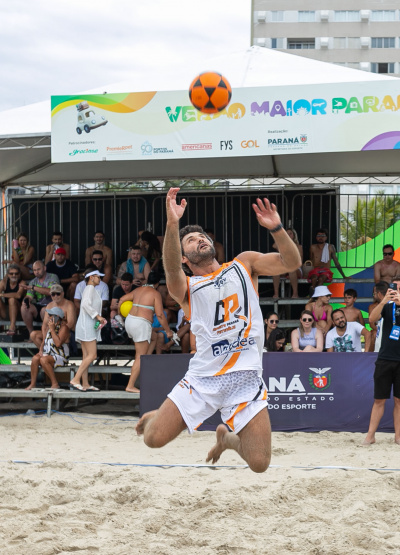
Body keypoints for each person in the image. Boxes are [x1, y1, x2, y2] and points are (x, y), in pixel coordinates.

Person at [135, 188, 302, 474]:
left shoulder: (243, 264)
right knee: (152, 439)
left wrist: (276, 228)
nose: (199, 239)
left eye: (202, 236)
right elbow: (172, 269)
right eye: (191, 240)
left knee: (260, 464)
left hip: (246, 378)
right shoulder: (186, 287)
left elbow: (292, 263)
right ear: (185, 258)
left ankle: (227, 439)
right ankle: (164, 414)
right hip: (204, 378)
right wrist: (173, 225)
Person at [363, 276, 400, 446]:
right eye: (396, 289)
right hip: (385, 357)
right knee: (379, 399)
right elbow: (371, 319)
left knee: (399, 400)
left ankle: (398, 436)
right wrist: (384, 301)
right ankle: (370, 435)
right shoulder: (386, 307)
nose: (399, 292)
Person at [120, 271, 171, 393]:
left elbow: (122, 299)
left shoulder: (138, 290)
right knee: (139, 356)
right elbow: (159, 314)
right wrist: (168, 330)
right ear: (158, 283)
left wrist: (119, 316)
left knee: (153, 337)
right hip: (141, 324)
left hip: (129, 321)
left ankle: (145, 361)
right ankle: (130, 385)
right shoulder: (155, 293)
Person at [71, 269, 107, 392]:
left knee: (86, 356)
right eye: (98, 277)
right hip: (87, 326)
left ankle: (85, 383)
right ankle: (76, 379)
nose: (100, 279)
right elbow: (85, 304)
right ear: (91, 277)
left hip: (87, 325)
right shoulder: (90, 289)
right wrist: (97, 316)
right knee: (92, 355)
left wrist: (98, 318)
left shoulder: (90, 289)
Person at [25, 306, 69, 391]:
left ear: (57, 317)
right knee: (35, 359)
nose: (49, 317)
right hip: (49, 354)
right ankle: (33, 384)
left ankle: (55, 383)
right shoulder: (50, 326)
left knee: (43, 360)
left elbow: (58, 344)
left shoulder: (64, 328)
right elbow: (45, 340)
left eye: (51, 315)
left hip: (60, 356)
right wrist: (41, 350)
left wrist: (52, 330)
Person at [30, 284, 78, 350]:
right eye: (53, 294)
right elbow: (44, 325)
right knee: (33, 335)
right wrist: (45, 339)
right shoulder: (49, 305)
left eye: (58, 294)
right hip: (52, 331)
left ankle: (57, 356)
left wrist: (56, 332)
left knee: (59, 337)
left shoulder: (69, 304)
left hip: (66, 333)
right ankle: (46, 353)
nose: (55, 296)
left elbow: (70, 324)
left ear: (63, 294)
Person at [0, 264, 26, 335]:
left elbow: (18, 295)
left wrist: (2, 295)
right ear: (8, 274)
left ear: (19, 274)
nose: (14, 275)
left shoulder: (22, 282)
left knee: (12, 299)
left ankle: (12, 327)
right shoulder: (4, 282)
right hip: (6, 313)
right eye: (11, 273)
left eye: (16, 273)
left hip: (19, 314)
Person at [20, 260, 59, 334]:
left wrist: (33, 287)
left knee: (44, 310)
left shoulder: (53, 277)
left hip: (52, 306)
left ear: (44, 268)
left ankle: (48, 335)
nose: (36, 272)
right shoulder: (33, 282)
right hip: (39, 306)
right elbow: (29, 296)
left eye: (38, 269)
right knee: (24, 308)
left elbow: (50, 292)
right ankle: (31, 334)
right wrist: (26, 300)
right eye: (34, 270)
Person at [270, 228, 303, 298]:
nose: (288, 235)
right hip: (284, 267)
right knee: (276, 271)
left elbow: (300, 261)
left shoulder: (298, 246)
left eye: (290, 233)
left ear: (294, 235)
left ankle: (295, 293)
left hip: (295, 267)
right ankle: (276, 293)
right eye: (286, 233)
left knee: (292, 270)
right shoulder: (281, 245)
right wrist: (282, 238)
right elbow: (274, 245)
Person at [365, 281, 389, 353]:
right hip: (377, 329)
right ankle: (370, 356)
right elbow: (371, 323)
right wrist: (380, 329)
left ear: (379, 294)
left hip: (389, 330)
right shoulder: (372, 307)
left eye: (374, 294)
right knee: (375, 334)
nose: (373, 296)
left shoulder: (392, 305)